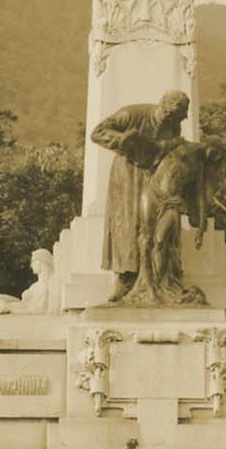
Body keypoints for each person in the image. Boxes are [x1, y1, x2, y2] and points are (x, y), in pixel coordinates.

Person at [89, 90, 191, 300]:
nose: (184, 119)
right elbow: (97, 132)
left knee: (158, 221)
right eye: (179, 115)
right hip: (128, 172)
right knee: (127, 223)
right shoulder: (131, 114)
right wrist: (124, 140)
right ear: (165, 110)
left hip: (155, 172)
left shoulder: (172, 123)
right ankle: (125, 279)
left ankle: (160, 275)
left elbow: (171, 143)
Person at [128, 137, 226, 306]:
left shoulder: (200, 167)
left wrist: (202, 227)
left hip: (172, 203)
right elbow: (154, 151)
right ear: (210, 144)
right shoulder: (178, 144)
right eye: (217, 153)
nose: (215, 158)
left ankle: (159, 284)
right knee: (145, 240)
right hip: (152, 193)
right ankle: (148, 286)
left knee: (160, 242)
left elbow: (200, 196)